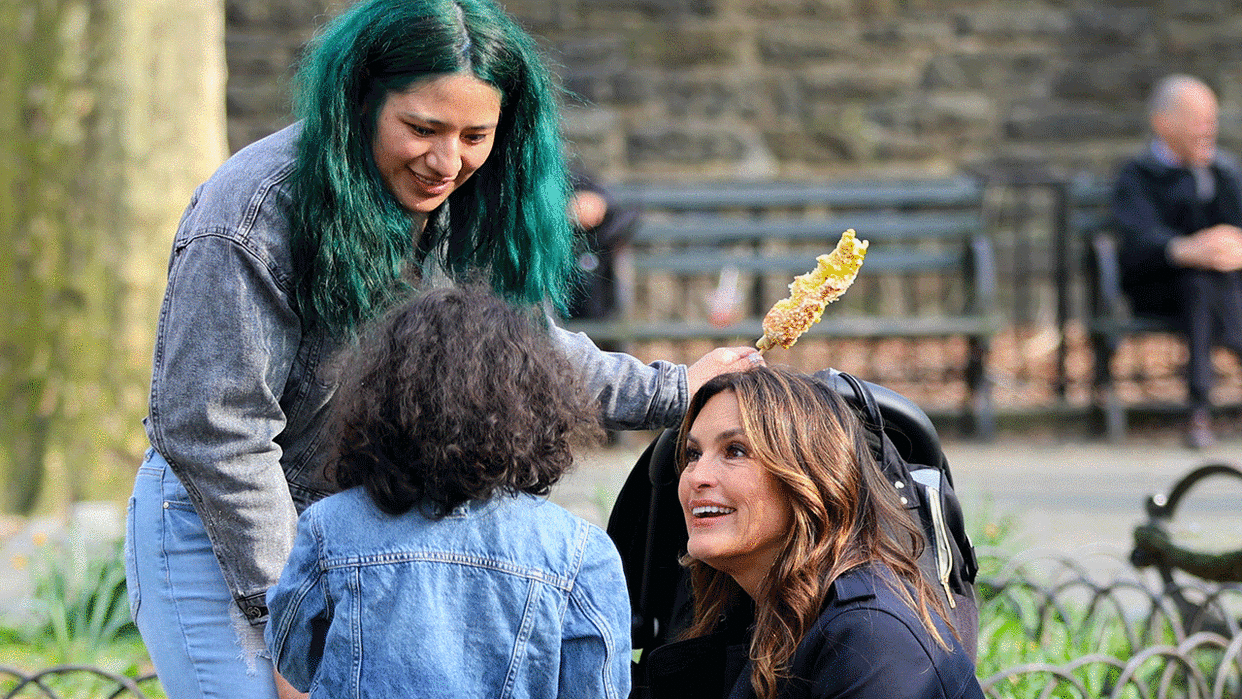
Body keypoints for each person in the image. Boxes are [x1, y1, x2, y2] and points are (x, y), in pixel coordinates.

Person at [122, 0, 759, 696]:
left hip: (362, 532)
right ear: (360, 102)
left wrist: (677, 388)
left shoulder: (472, 201)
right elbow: (217, 431)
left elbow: (525, 350)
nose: (446, 160)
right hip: (222, 531)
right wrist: (287, 616)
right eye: (422, 128)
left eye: (475, 134)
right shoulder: (253, 212)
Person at [265, 286, 631, 697]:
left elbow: (294, 660)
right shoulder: (580, 553)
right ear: (532, 404)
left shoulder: (327, 529)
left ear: (382, 399)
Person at [644, 366, 982, 699]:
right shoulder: (754, 611)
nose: (696, 476)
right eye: (693, 454)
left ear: (809, 477)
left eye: (735, 450)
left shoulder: (872, 636)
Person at [1112, 74, 1242, 449]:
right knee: (1198, 280)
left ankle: (1199, 410)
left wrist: (1228, 245)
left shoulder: (1223, 172)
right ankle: (1203, 401)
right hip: (1158, 287)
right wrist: (1184, 249)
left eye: (1212, 120)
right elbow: (1138, 240)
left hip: (1221, 288)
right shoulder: (1137, 174)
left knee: (1206, 280)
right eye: (1201, 120)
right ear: (1164, 123)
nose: (1210, 130)